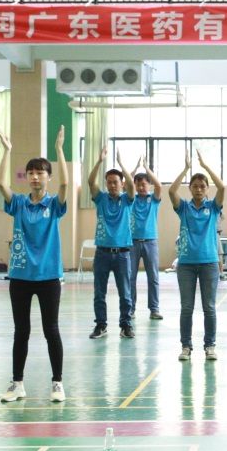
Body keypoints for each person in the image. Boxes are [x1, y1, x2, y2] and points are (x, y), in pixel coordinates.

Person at [0, 127, 70, 404]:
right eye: (31, 173)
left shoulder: (54, 204)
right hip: (20, 276)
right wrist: (7, 150)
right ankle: (17, 384)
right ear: (26, 177)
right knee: (21, 331)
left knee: (51, 330)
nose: (35, 177)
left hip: (48, 276)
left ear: (48, 177)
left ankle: (57, 383)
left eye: (40, 173)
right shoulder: (18, 203)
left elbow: (65, 186)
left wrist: (59, 150)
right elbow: (0, 184)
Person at [169, 150, 225, 361]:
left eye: (202, 186)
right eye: (195, 186)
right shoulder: (184, 207)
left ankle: (210, 345)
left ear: (207, 189)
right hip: (186, 265)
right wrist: (185, 169)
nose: (199, 189)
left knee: (209, 307)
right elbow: (171, 191)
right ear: (190, 188)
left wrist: (206, 166)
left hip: (209, 263)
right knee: (187, 308)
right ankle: (186, 346)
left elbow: (223, 188)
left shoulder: (213, 207)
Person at [87, 145, 136, 339]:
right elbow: (90, 181)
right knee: (99, 292)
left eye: (116, 182)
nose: (112, 185)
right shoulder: (101, 199)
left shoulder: (127, 200)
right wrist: (99, 161)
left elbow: (131, 186)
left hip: (123, 254)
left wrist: (122, 164)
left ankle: (126, 325)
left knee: (125, 293)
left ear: (121, 184)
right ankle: (101, 325)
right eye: (109, 182)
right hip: (102, 253)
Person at [129, 160, 164, 322]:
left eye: (144, 184)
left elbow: (159, 186)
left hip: (150, 242)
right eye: (138, 184)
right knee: (130, 277)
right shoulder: (131, 199)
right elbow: (125, 184)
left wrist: (147, 168)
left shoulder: (153, 199)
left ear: (148, 185)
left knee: (153, 277)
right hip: (132, 242)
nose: (141, 187)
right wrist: (135, 168)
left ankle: (154, 309)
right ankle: (131, 309)